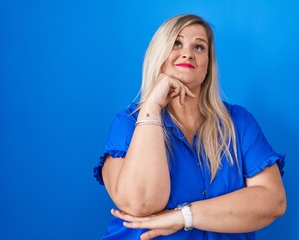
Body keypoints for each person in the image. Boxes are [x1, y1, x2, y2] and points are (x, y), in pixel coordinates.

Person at [94, 14, 286, 240]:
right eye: (176, 43)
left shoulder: (239, 122)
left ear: (208, 66)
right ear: (159, 55)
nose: (187, 53)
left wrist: (181, 216)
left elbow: (273, 201)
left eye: (199, 47)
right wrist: (152, 108)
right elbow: (141, 204)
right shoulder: (128, 123)